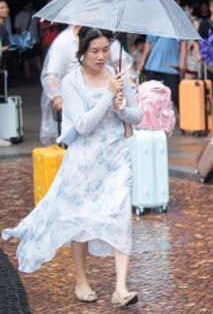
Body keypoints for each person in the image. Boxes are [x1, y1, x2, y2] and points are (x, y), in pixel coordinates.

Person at [3, 27, 143, 307]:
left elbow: (136, 115)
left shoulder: (118, 77)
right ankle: (81, 280)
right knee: (80, 219)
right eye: (95, 51)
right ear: (82, 52)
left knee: (120, 215)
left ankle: (120, 287)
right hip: (83, 160)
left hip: (116, 157)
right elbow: (82, 125)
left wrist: (121, 108)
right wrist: (107, 97)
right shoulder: (71, 82)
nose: (102, 56)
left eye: (106, 50)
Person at [39, 25, 81, 145]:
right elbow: (52, 74)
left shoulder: (100, 36)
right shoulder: (64, 41)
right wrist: (57, 96)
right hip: (72, 99)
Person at [138, 35, 186, 107]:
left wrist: (182, 62)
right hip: (152, 65)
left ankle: (174, 116)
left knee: (173, 97)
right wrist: (142, 61)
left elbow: (183, 44)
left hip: (171, 67)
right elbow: (148, 43)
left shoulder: (179, 24)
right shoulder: (155, 24)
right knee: (150, 95)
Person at [14, 1, 43, 81]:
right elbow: (18, 30)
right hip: (25, 41)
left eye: (31, 5)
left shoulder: (35, 14)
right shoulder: (19, 16)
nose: (30, 7)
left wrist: (40, 37)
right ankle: (28, 76)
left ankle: (41, 74)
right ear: (24, 6)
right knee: (26, 59)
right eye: (29, 5)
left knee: (38, 57)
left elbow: (39, 26)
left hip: (35, 40)